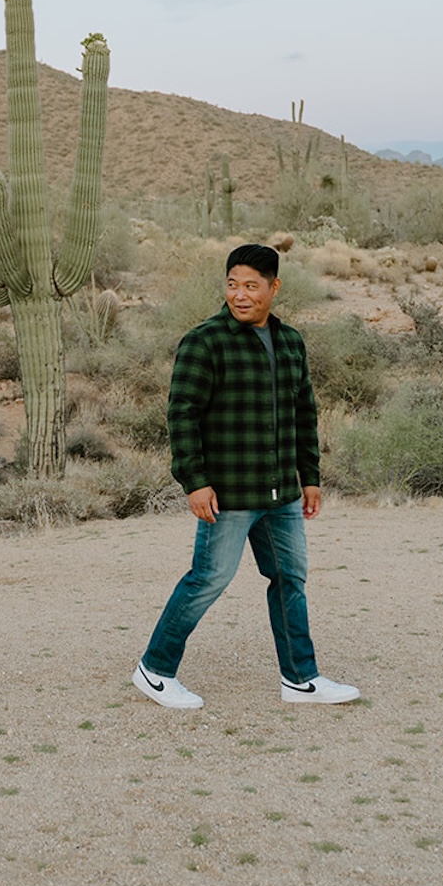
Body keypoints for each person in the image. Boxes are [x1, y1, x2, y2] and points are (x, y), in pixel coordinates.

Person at [132, 243, 360, 710]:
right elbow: (182, 415)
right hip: (230, 491)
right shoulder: (205, 341)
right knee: (207, 580)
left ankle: (300, 678)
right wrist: (194, 481)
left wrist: (310, 476)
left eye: (251, 286)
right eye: (233, 284)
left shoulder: (291, 342)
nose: (240, 295)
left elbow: (304, 413)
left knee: (289, 579)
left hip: (282, 492)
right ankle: (154, 670)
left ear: (274, 288)